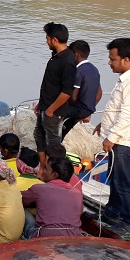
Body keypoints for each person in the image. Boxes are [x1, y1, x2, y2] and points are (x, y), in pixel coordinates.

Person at [93, 37, 130, 230]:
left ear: (126, 60)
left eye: (113, 59)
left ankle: (129, 221)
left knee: (123, 182)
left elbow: (128, 116)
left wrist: (112, 137)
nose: (109, 62)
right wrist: (104, 124)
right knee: (115, 179)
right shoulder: (128, 79)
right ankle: (113, 212)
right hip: (121, 138)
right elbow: (119, 109)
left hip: (127, 141)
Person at [34, 22, 76, 157]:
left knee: (53, 143)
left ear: (54, 40)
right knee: (39, 135)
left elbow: (66, 91)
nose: (46, 42)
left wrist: (51, 110)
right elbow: (50, 84)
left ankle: (55, 170)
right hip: (45, 106)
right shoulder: (55, 56)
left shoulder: (68, 60)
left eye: (47, 38)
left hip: (54, 110)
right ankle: (43, 168)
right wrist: (42, 104)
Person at [22, 157, 84, 238]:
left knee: (23, 210)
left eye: (46, 169)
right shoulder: (78, 194)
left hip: (44, 239)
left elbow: (18, 198)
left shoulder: (39, 189)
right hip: (74, 238)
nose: (43, 171)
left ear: (55, 175)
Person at [61, 40, 102, 137]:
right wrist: (90, 108)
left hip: (79, 109)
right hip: (88, 109)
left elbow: (73, 97)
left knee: (53, 111)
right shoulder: (94, 69)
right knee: (66, 127)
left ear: (76, 55)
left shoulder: (78, 71)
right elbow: (99, 93)